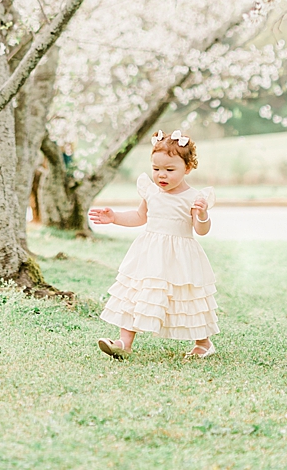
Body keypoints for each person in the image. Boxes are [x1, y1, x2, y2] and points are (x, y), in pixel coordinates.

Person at [89, 127, 218, 359]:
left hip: (180, 257)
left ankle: (204, 343)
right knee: (135, 293)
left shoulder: (194, 198)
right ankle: (123, 343)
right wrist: (115, 217)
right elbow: (140, 217)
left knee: (187, 298)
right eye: (156, 169)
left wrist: (202, 215)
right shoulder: (152, 193)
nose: (161, 175)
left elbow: (201, 230)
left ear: (187, 168)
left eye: (170, 170)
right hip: (148, 254)